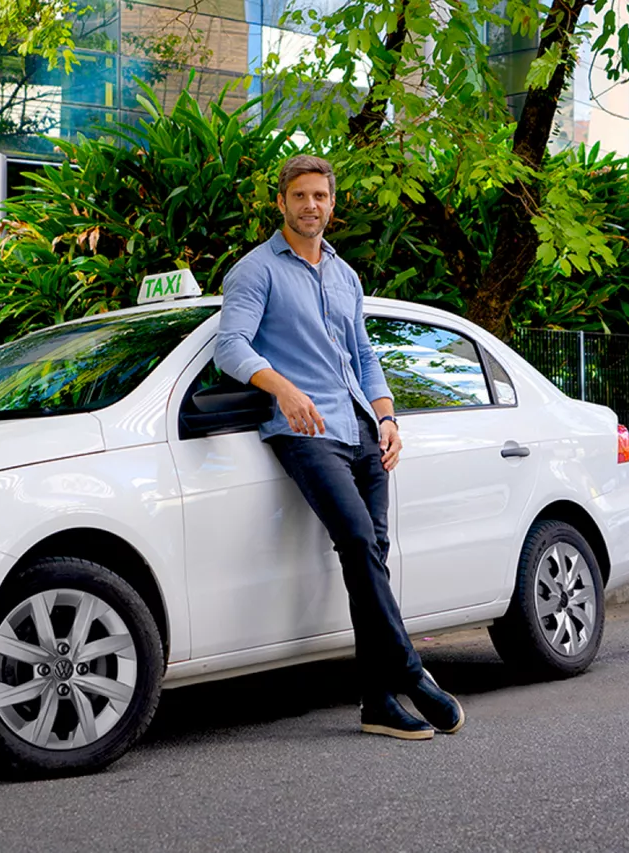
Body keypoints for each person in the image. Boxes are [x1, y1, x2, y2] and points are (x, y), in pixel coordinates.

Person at [214, 154, 465, 741]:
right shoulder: (255, 272)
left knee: (369, 554)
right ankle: (410, 673)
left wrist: (388, 416)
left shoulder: (344, 274)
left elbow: (365, 355)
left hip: (361, 429)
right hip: (305, 432)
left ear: (333, 203)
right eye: (299, 196)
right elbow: (231, 347)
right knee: (355, 539)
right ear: (281, 202)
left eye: (320, 197)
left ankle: (377, 702)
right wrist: (283, 389)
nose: (310, 206)